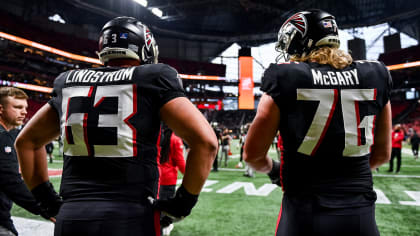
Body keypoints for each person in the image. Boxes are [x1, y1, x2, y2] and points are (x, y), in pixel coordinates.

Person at [15, 16, 217, 236]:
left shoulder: (68, 81)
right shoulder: (155, 77)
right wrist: (182, 203)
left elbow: (26, 142)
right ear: (146, 48)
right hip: (130, 216)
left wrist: (47, 201)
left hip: (73, 216)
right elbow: (206, 142)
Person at [244, 9, 392, 236]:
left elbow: (252, 156)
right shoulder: (376, 75)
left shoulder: (285, 77)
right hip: (359, 214)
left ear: (300, 41)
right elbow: (382, 155)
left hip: (305, 213)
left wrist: (275, 170)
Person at [0, 87, 54, 236]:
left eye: (25, 108)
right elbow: (10, 180)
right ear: (1, 109)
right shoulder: (2, 136)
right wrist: (45, 208)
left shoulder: (11, 133)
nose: (24, 112)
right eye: (17, 107)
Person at [158, 125, 186, 235]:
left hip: (156, 177)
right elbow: (180, 162)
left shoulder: (157, 136)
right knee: (165, 210)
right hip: (168, 179)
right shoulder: (175, 140)